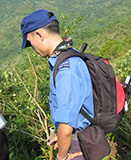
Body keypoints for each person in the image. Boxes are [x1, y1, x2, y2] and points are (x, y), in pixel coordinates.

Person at [21, 9, 94, 160]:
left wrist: (61, 157)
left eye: (30, 42)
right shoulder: (69, 54)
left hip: (78, 145)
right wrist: (61, 137)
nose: (32, 48)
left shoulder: (66, 68)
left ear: (39, 34)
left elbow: (66, 127)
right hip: (78, 138)